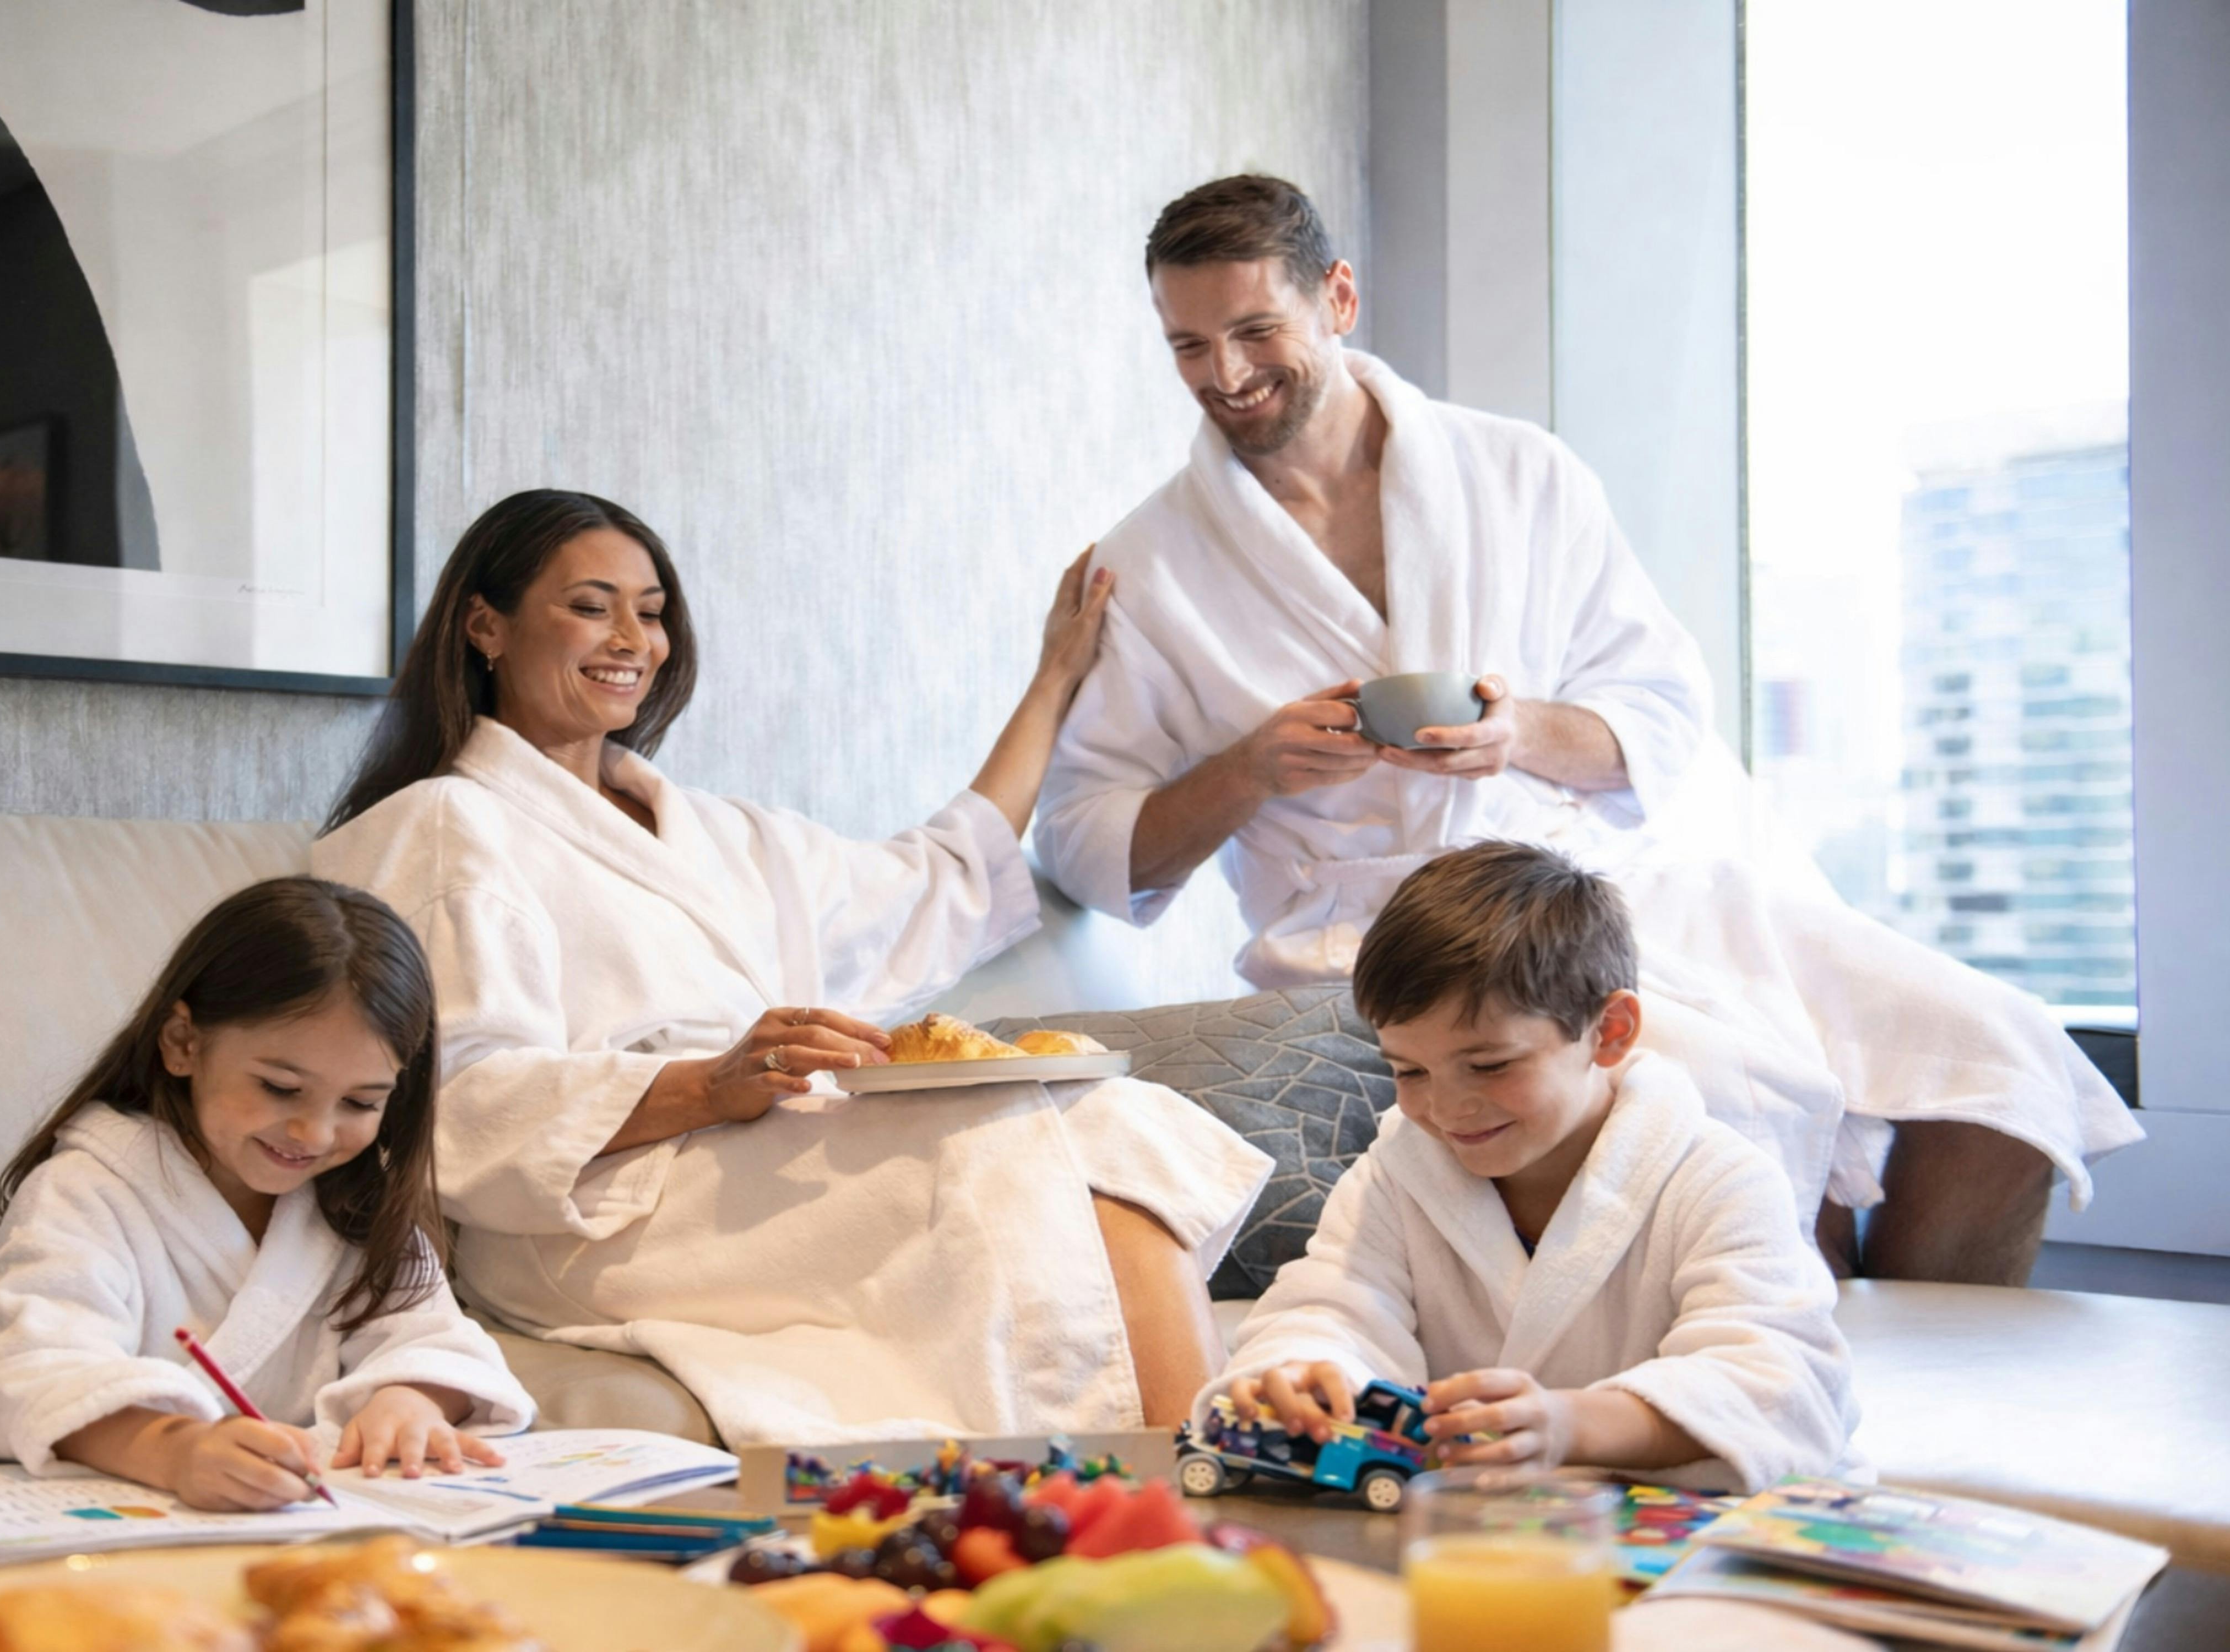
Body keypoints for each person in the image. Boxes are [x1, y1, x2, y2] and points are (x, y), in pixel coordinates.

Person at [1033, 173, 2139, 1285]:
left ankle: (1899, 1366)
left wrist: (1519, 735)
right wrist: (1249, 771)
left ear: (1339, 298)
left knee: (1999, 1057)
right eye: (1188, 346)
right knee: (1724, 1098)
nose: (1225, 375)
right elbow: (1084, 845)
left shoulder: (1520, 475)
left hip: (1602, 887)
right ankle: (1791, 1362)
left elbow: (1660, 714)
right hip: (1385, 935)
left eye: (1255, 330)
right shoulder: (1149, 566)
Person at [311, 490, 1271, 1447]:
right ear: (486, 626)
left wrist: (1056, 676)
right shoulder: (442, 825)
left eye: (652, 612)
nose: (632, 640)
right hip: (590, 1216)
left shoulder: (718, 833)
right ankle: (1198, 1480)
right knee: (1026, 1148)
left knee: (1110, 1118)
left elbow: (948, 877)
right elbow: (457, 1104)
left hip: (752, 1156)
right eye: (591, 607)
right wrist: (706, 1086)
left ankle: (1187, 1473)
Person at [1209, 843, 1858, 1492]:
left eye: (1489, 1065)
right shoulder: (1398, 1174)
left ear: (1609, 1030)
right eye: (1408, 1071)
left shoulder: (1720, 1180)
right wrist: (1303, 1372)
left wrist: (1572, 1426)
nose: (1445, 1108)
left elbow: (1773, 1380)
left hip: (1692, 1518)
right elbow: (1333, 1307)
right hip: (1481, 1520)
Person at [0, 878, 535, 1509]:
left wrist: (411, 1401)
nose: (315, 1133)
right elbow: (25, 1372)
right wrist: (174, 1450)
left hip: (290, 1522)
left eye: (360, 1102)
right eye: (280, 1088)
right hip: (104, 1514)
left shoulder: (358, 1208)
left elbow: (435, 1344)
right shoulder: (85, 1193)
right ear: (182, 1043)